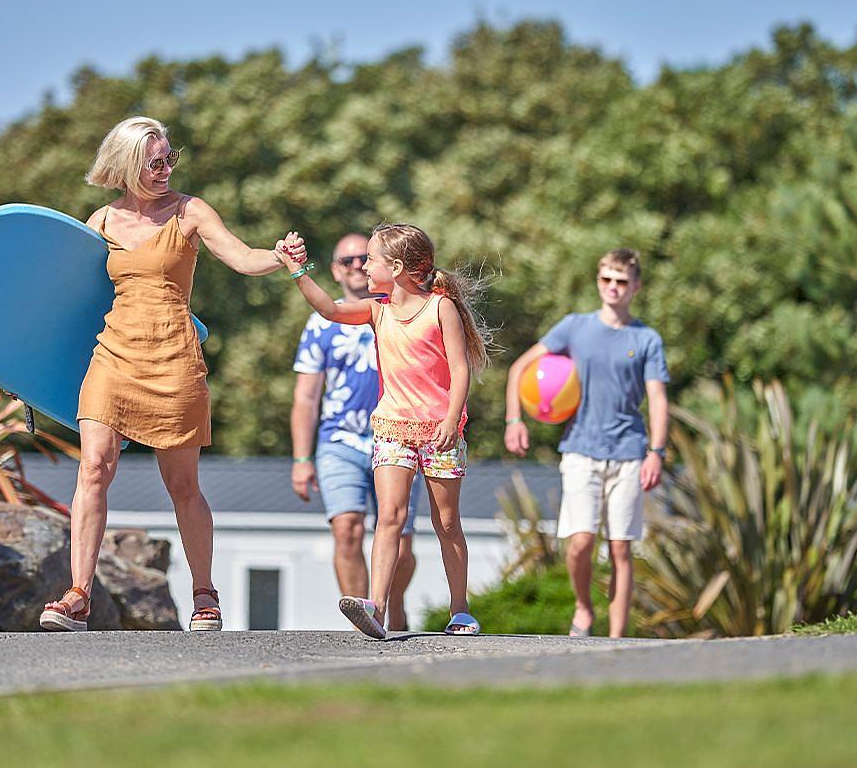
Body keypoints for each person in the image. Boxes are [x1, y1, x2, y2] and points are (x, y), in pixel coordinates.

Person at [40, 116, 305, 632]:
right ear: (125, 166)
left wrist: (278, 256)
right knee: (94, 468)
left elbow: (242, 257)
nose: (164, 170)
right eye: (153, 162)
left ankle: (204, 594)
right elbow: (65, 297)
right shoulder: (100, 221)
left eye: (168, 159)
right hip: (113, 354)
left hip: (174, 358)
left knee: (182, 485)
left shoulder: (190, 211)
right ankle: (78, 594)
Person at [278, 224, 494, 638]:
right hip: (393, 427)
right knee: (389, 518)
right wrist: (297, 271)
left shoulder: (439, 308)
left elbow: (461, 368)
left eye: (371, 260)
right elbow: (330, 310)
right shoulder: (377, 310)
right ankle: (375, 606)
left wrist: (452, 420)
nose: (364, 267)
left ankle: (460, 608)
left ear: (395, 268)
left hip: (439, 431)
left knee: (446, 522)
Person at [503, 248, 669, 638]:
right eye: (606, 279)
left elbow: (658, 399)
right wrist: (514, 420)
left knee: (621, 549)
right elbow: (519, 369)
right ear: (598, 282)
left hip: (629, 452)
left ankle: (616, 639)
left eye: (622, 281)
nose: (613, 288)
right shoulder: (574, 327)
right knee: (579, 543)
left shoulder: (646, 339)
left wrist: (656, 453)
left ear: (636, 287)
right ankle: (583, 607)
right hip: (580, 449)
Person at [290, 233, 423, 631]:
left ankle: (392, 604)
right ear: (335, 269)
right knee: (347, 530)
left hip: (399, 435)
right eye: (347, 260)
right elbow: (306, 397)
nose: (356, 265)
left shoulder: (403, 311)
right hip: (340, 441)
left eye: (364, 257)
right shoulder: (322, 323)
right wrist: (301, 459)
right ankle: (364, 619)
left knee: (401, 545)